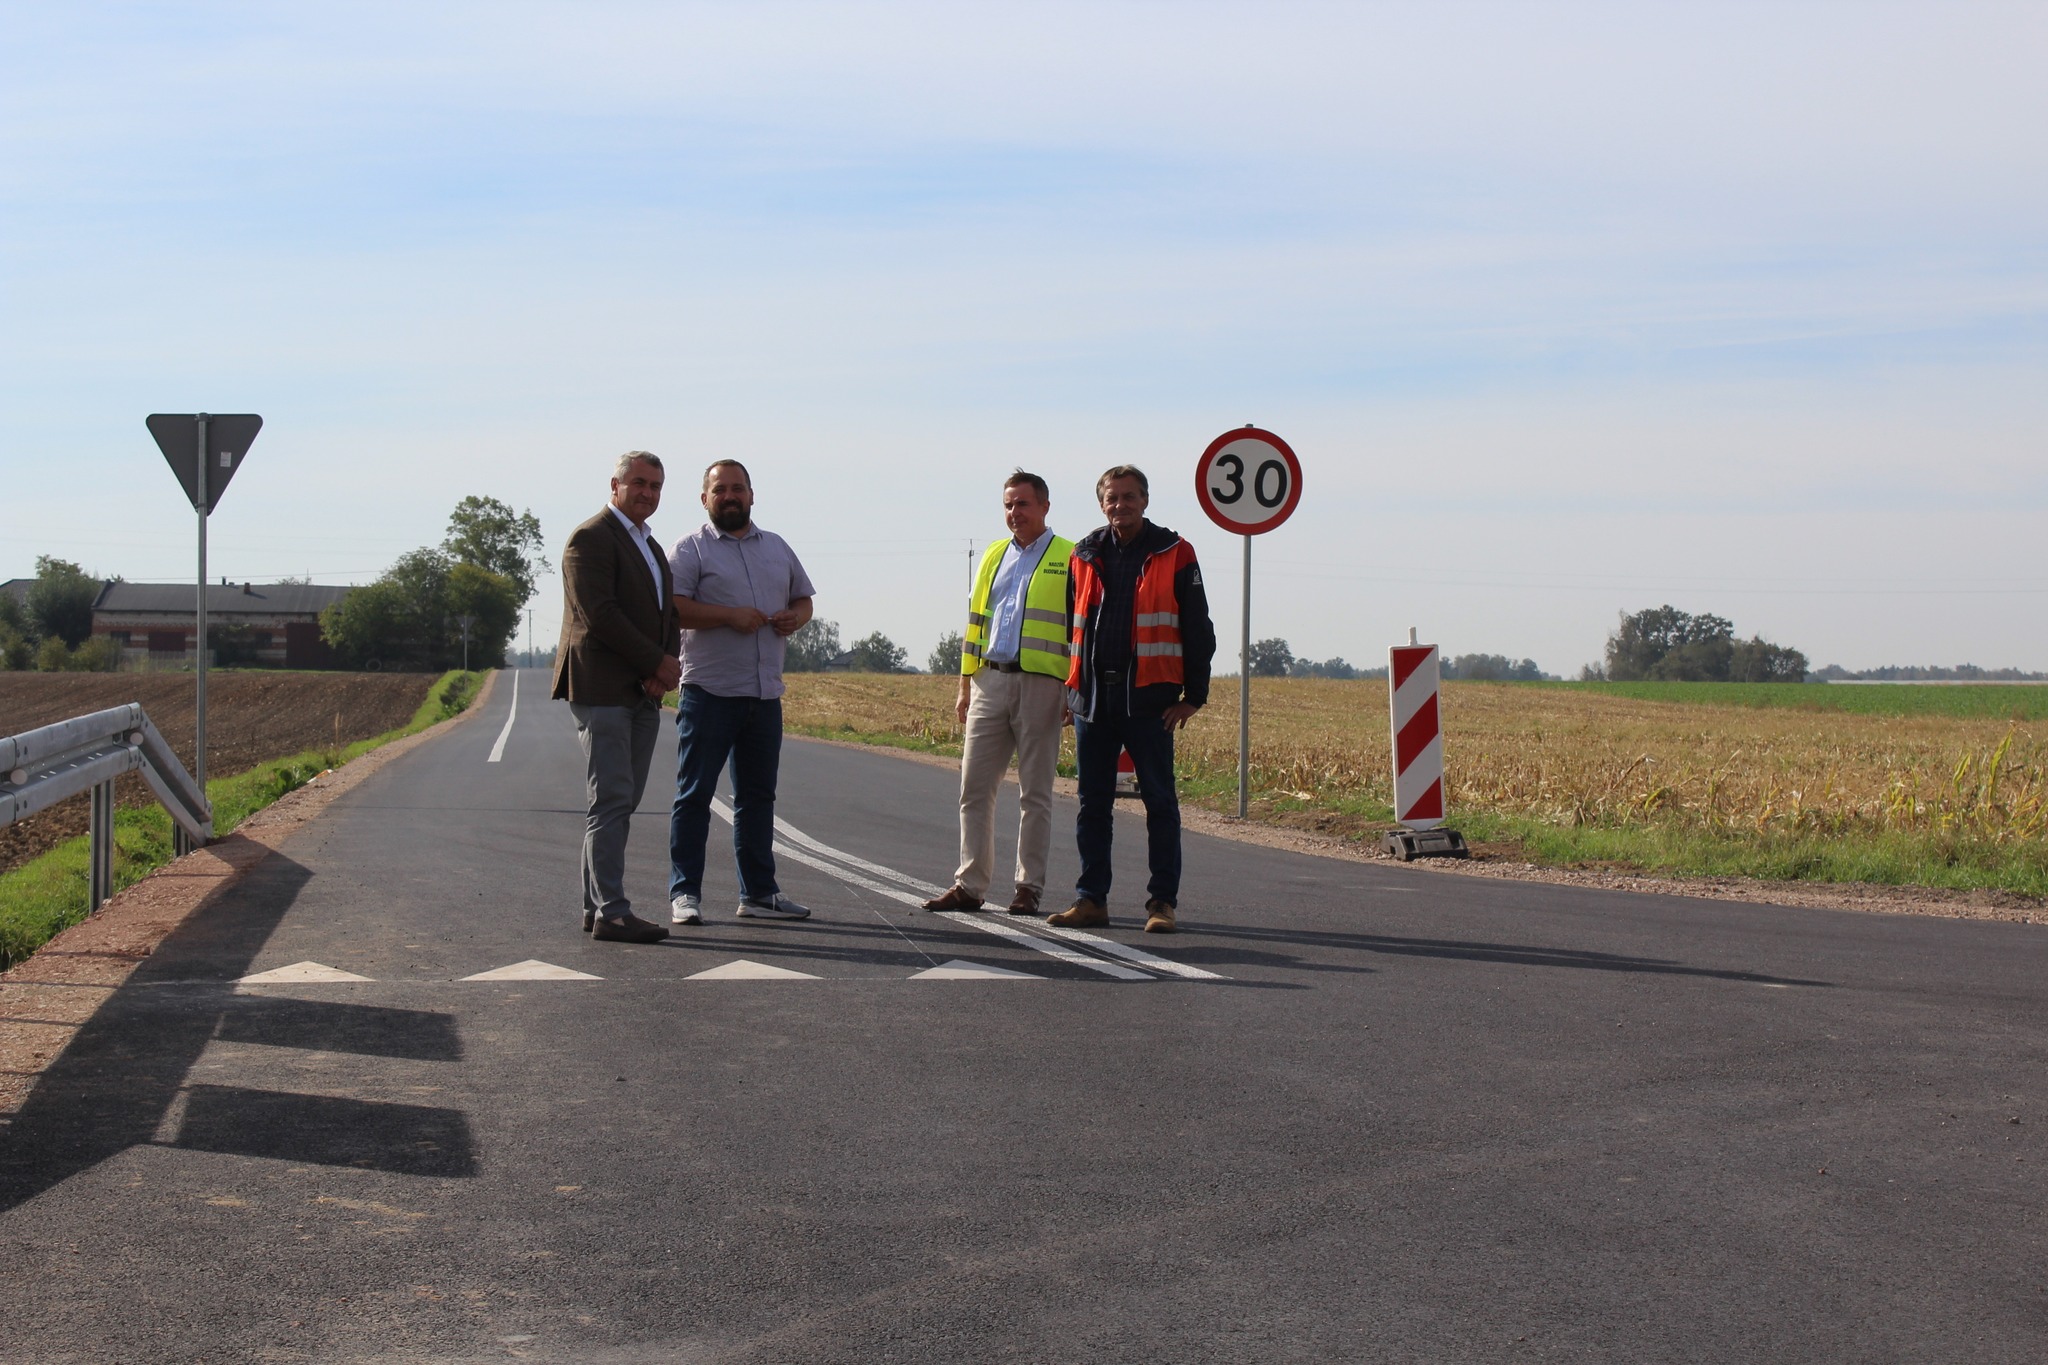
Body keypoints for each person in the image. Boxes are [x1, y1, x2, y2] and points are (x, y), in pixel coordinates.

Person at [1050, 465, 1215, 934]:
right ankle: (1091, 900)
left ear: (1145, 500)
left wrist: (1194, 697)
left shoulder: (1176, 552)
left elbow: (1198, 628)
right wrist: (1070, 690)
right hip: (1093, 702)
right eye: (1112, 498)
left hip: (1150, 703)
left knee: (1159, 804)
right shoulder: (1084, 554)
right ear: (1101, 504)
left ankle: (1162, 903)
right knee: (1092, 805)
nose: (1120, 505)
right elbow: (1071, 628)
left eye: (1129, 496)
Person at [666, 460, 817, 924]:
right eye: (720, 490)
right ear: (705, 499)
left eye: (738, 489)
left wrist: (795, 618)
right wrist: (728, 616)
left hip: (764, 694)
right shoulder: (690, 549)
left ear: (752, 495)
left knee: (757, 798)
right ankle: (684, 894)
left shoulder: (776, 547)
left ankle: (758, 894)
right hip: (709, 692)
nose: (730, 497)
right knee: (695, 796)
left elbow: (804, 599)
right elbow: (671, 608)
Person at [921, 470, 1074, 917]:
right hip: (989, 680)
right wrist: (965, 684)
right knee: (973, 788)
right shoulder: (992, 554)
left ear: (1044, 506)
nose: (1014, 512)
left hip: (1043, 684)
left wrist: (1072, 687)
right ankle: (969, 886)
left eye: (1023, 504)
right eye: (1008, 505)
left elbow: (1080, 628)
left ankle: (1028, 887)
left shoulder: (1070, 556)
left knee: (1035, 793)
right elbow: (974, 625)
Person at [554, 451, 683, 944]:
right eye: (639, 483)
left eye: (656, 486)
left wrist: (664, 668)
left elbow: (668, 615)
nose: (648, 493)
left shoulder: (649, 545)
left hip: (643, 691)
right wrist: (654, 663)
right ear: (615, 485)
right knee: (609, 799)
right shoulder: (590, 538)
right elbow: (600, 615)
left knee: (621, 801)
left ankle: (597, 907)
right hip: (602, 687)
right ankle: (612, 911)